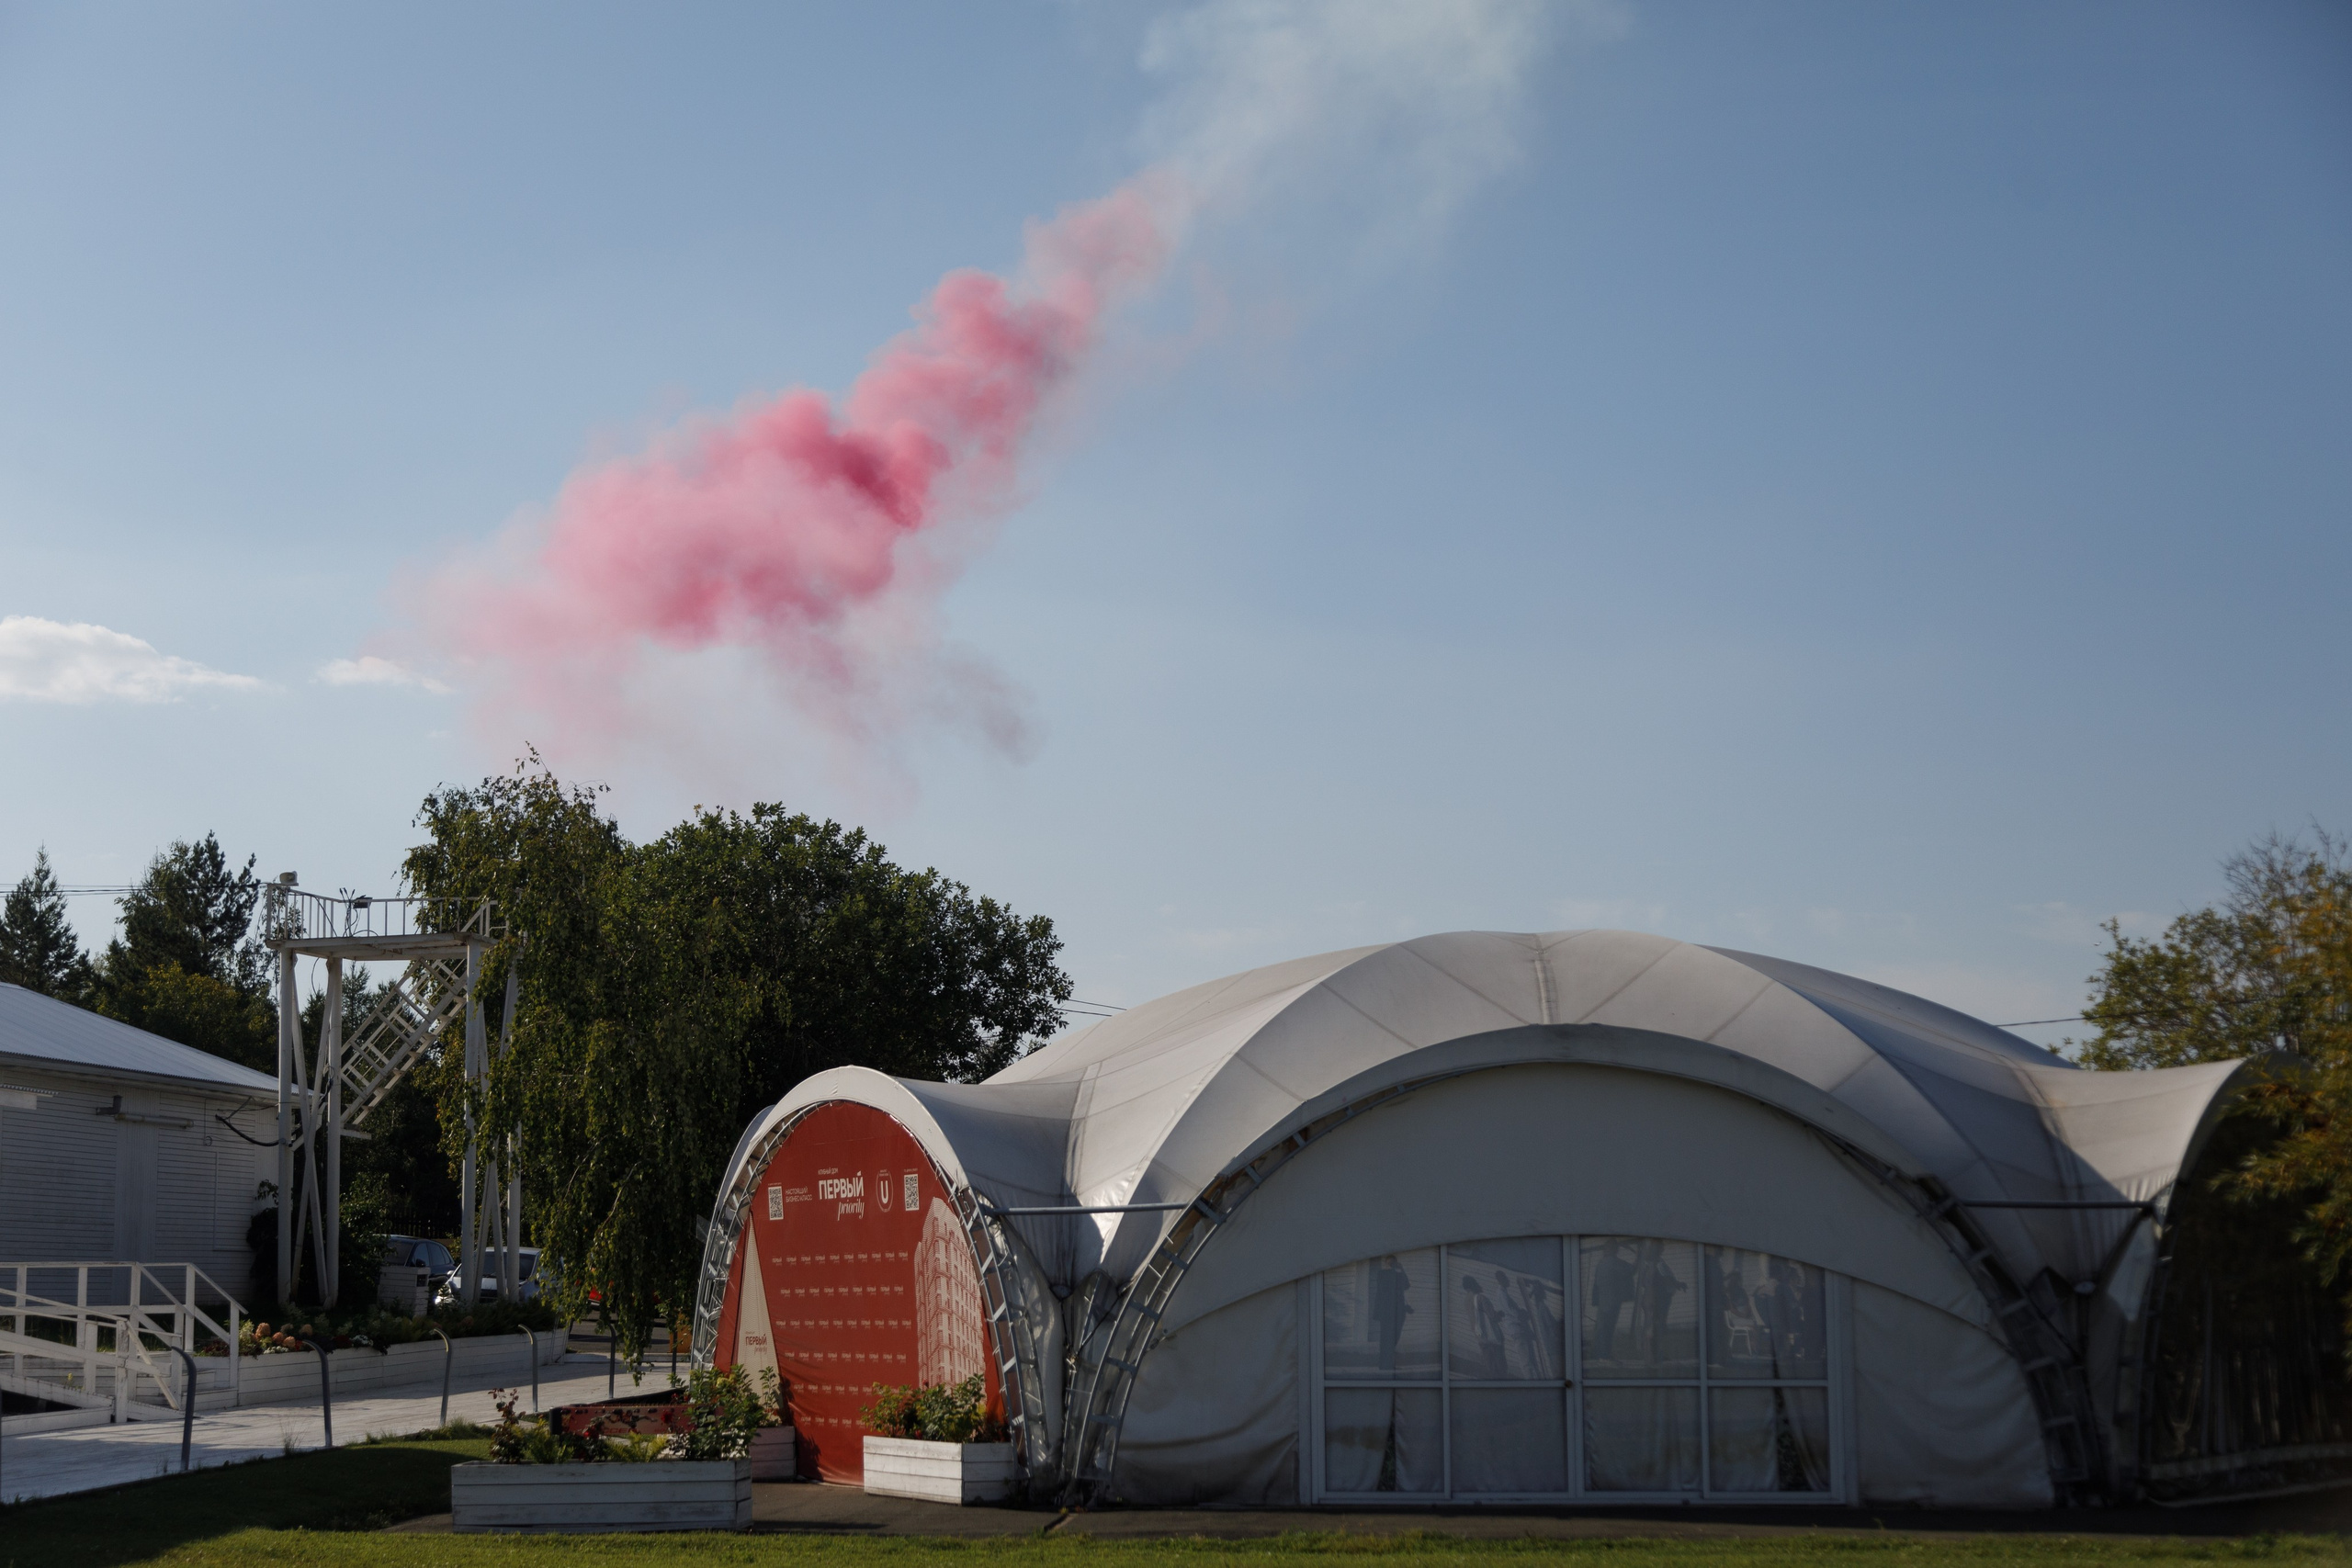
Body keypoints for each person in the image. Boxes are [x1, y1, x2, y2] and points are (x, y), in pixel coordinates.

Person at [1588, 1240, 1636, 1362]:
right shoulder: (1614, 1263)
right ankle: (1604, 1355)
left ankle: (1599, 1354)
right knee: (1607, 1329)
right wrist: (1638, 1255)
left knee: (1601, 1328)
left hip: (1603, 1301)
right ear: (1615, 1250)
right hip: (1612, 1302)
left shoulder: (1601, 1263)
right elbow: (1631, 1270)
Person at [1370, 1255, 1415, 1373]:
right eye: (1390, 1263)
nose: (1391, 1265)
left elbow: (1406, 1285)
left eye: (1393, 1263)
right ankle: (1385, 1364)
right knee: (1386, 1338)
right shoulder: (1383, 1274)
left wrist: (1401, 1270)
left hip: (1398, 1310)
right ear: (1386, 1263)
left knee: (1395, 1336)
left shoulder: (1398, 1273)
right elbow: (1380, 1293)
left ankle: (1388, 1363)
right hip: (1387, 1310)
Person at [1459, 1274, 1507, 1378]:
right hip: (1493, 1338)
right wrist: (1501, 1314)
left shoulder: (1466, 1301)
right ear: (1474, 1284)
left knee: (1490, 1366)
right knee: (1501, 1367)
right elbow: (1493, 1316)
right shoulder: (1481, 1298)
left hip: (1480, 1337)